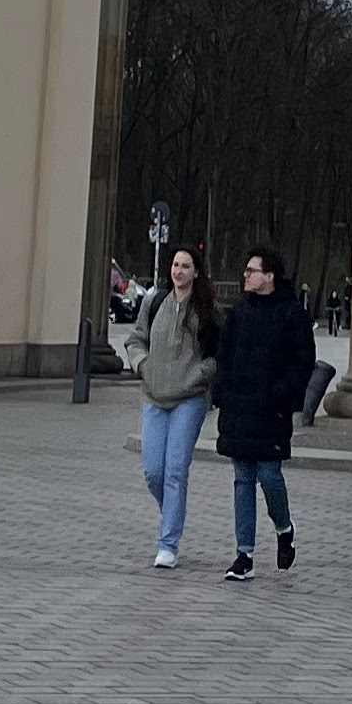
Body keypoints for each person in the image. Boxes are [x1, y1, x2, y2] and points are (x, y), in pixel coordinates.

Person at [210, 244, 314, 583]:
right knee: (242, 480)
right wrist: (222, 393)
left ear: (269, 276)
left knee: (269, 476)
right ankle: (245, 555)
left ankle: (284, 528)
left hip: (271, 411)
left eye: (251, 270)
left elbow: (302, 363)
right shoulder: (239, 313)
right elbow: (223, 357)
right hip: (239, 409)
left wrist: (281, 396)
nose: (245, 275)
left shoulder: (292, 314)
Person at [134, 244, 219, 569]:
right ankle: (173, 510)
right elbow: (136, 339)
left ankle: (168, 543)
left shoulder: (207, 308)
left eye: (185, 266)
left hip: (190, 399)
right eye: (175, 265)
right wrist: (142, 365)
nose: (178, 271)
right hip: (155, 396)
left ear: (196, 271)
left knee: (175, 472)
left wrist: (200, 374)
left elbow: (217, 354)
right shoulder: (154, 302)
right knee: (153, 472)